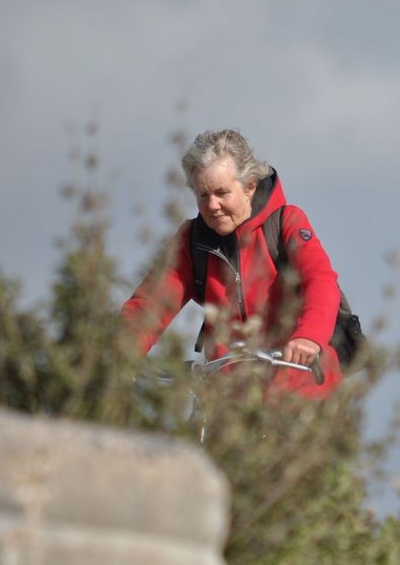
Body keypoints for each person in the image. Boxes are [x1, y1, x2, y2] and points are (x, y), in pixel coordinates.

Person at [122, 129, 342, 398]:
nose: (212, 205)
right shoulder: (192, 241)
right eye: (203, 195)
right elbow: (151, 304)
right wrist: (117, 355)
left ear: (249, 186)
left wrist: (308, 337)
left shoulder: (286, 223)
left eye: (221, 192)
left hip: (302, 387)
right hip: (229, 396)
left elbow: (320, 281)